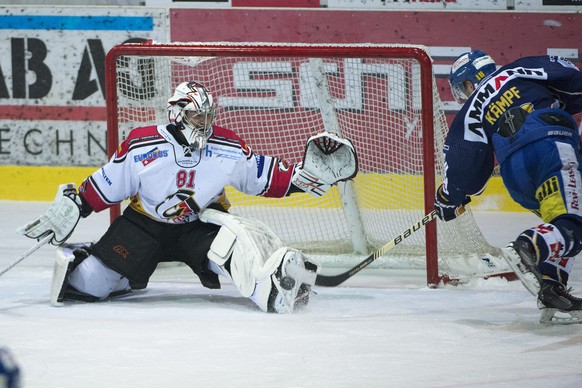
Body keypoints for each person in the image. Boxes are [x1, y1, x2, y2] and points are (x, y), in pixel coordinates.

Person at [18, 81, 357, 314]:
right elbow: (110, 183)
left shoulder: (226, 145)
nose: (205, 123)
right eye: (198, 116)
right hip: (144, 226)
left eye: (209, 116)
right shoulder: (141, 144)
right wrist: (78, 203)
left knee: (233, 256)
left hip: (199, 225)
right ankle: (100, 264)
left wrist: (304, 178)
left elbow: (262, 176)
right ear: (177, 114)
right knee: (90, 285)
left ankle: (270, 289)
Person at [434, 50, 582, 323]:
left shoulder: (470, 110)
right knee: (574, 223)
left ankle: (552, 290)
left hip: (516, 176)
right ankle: (529, 246)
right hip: (549, 145)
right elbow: (571, 78)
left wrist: (449, 197)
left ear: (468, 83)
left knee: (558, 223)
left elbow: (466, 171)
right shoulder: (518, 69)